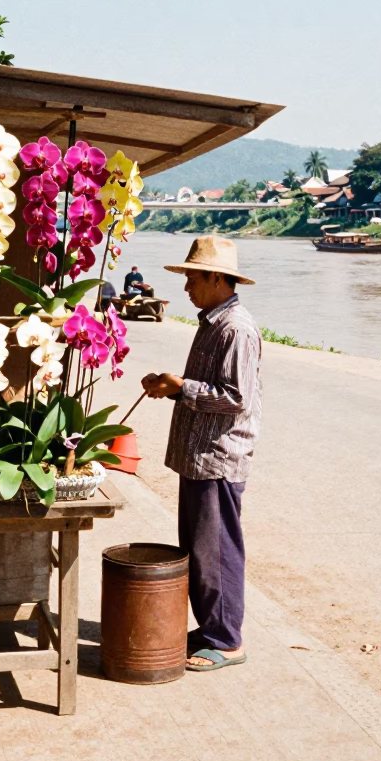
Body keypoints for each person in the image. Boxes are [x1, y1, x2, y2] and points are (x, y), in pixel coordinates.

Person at [141, 236, 262, 673]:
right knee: (198, 550)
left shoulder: (236, 328)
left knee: (219, 552)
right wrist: (173, 388)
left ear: (216, 278)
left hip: (218, 458)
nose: (187, 285)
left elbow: (235, 397)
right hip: (199, 456)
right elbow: (209, 392)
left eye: (193, 276)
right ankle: (212, 628)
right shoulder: (212, 322)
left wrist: (182, 387)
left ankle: (227, 640)